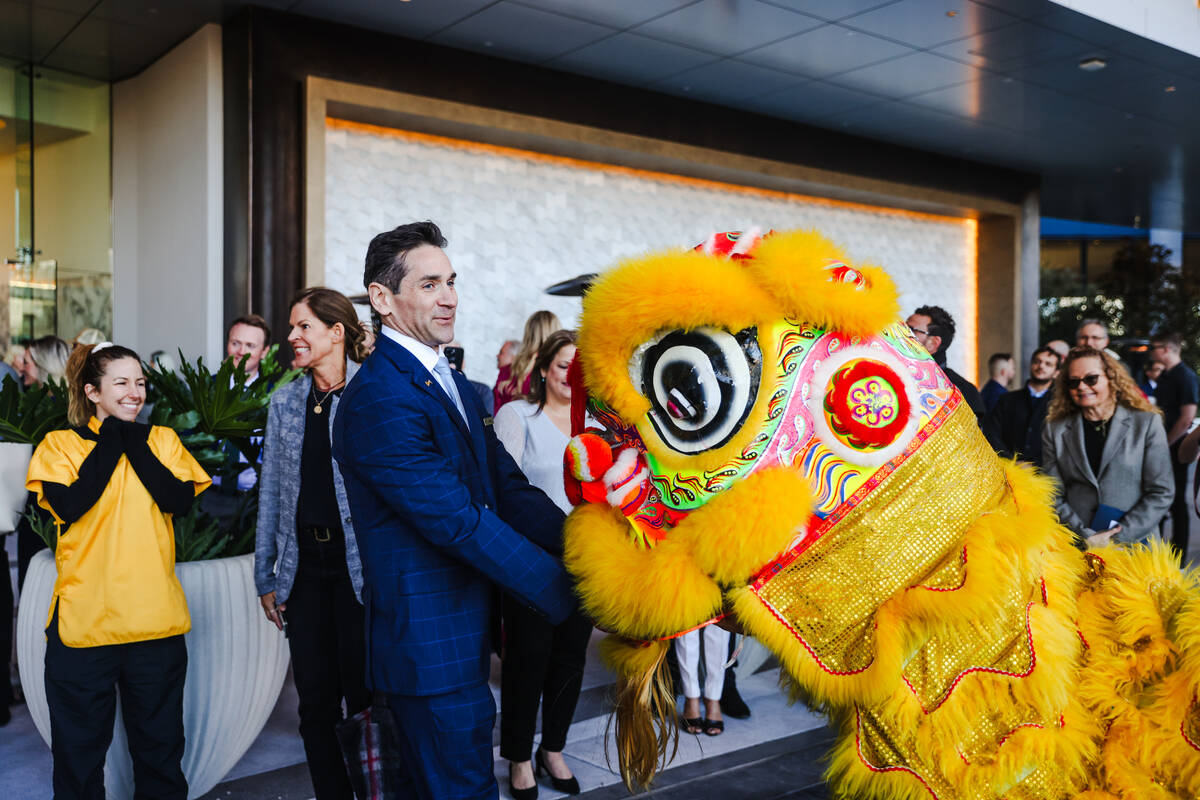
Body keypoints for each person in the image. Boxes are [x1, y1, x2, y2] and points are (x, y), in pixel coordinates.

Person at [332, 221, 576, 799]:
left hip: (466, 635)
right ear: (382, 299)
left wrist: (590, 548)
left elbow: (509, 491)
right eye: (430, 284)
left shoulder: (459, 387)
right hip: (428, 647)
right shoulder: (378, 399)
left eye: (451, 281)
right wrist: (574, 590)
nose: (449, 298)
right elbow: (458, 520)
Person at [25, 342, 210, 799]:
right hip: (84, 627)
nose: (135, 392)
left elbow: (177, 500)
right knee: (79, 758)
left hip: (155, 625)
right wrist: (112, 440)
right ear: (92, 391)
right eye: (122, 383)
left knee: (161, 754)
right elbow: (71, 505)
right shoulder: (59, 445)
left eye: (141, 383)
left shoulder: (162, 440)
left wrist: (134, 440)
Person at [255, 288, 371, 800]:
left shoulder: (374, 394)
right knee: (315, 703)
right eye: (292, 326)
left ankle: (375, 789)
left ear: (336, 332)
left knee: (366, 697)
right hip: (304, 569)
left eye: (303, 326)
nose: (291, 337)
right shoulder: (285, 401)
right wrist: (267, 575)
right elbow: (272, 495)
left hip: (361, 570)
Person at [494, 330, 593, 798]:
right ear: (543, 370)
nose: (569, 378)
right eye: (561, 367)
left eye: (578, 369)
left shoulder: (594, 424)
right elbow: (502, 494)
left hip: (586, 563)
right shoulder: (518, 417)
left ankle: (553, 748)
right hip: (532, 564)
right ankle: (518, 756)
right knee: (526, 665)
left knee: (571, 662)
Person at [1040, 346, 1173, 549]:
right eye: (1073, 382)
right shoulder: (1055, 430)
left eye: (1091, 379)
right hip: (1077, 546)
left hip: (1135, 547)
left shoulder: (1146, 423)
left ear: (1111, 378)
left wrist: (1115, 538)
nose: (1082, 387)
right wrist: (1085, 537)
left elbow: (1161, 492)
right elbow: (1053, 494)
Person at [1149, 332, 1199, 557]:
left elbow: (1186, 418)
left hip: (1175, 449)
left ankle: (1179, 556)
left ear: (1167, 349)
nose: (1152, 352)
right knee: (1158, 498)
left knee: (1177, 502)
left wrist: (1166, 444)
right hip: (1160, 447)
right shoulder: (1165, 376)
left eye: (1155, 347)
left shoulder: (1185, 376)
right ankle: (1157, 551)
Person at [983, 347, 1059, 466]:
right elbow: (992, 434)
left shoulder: (1059, 404)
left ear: (1056, 372)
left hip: (1047, 474)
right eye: (1037, 361)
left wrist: (1036, 465)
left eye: (1048, 364)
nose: (1041, 366)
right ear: (1030, 364)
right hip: (1007, 471)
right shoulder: (1007, 400)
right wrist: (1010, 461)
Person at [905, 305, 984, 419]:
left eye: (910, 330)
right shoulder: (894, 373)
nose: (901, 335)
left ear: (933, 343)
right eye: (902, 328)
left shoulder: (962, 392)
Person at [495, 311, 560, 411]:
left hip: (505, 423)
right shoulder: (556, 373)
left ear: (528, 334)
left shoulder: (507, 370)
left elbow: (495, 409)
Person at [446, 339, 495, 417]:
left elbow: (489, 422)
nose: (452, 360)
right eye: (447, 355)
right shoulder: (432, 388)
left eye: (457, 356)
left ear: (463, 362)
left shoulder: (482, 391)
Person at [225, 314, 271, 384]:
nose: (242, 352)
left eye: (250, 346)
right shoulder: (205, 387)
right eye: (235, 343)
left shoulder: (276, 393)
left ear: (264, 352)